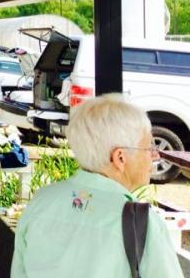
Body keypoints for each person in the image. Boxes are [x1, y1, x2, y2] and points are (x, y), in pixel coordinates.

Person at [11, 94, 182, 278]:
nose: (155, 156)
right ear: (120, 158)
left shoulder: (41, 201)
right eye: (149, 148)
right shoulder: (142, 223)